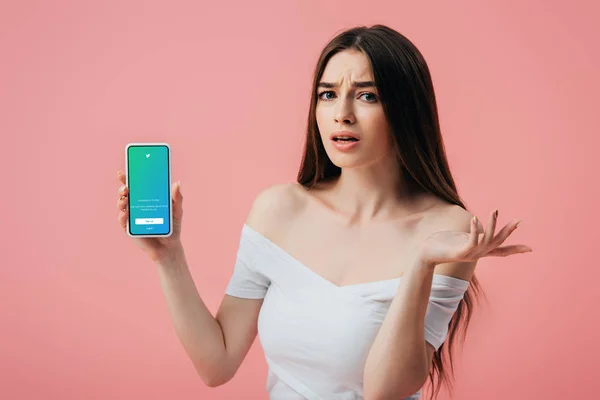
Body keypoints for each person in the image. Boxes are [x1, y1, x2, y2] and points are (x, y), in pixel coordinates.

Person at [116, 24, 531, 400]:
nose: (342, 112)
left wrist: (420, 265)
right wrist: (167, 257)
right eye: (328, 94)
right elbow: (217, 363)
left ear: (406, 110)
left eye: (367, 95)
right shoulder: (278, 209)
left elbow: (385, 390)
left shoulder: (449, 229)